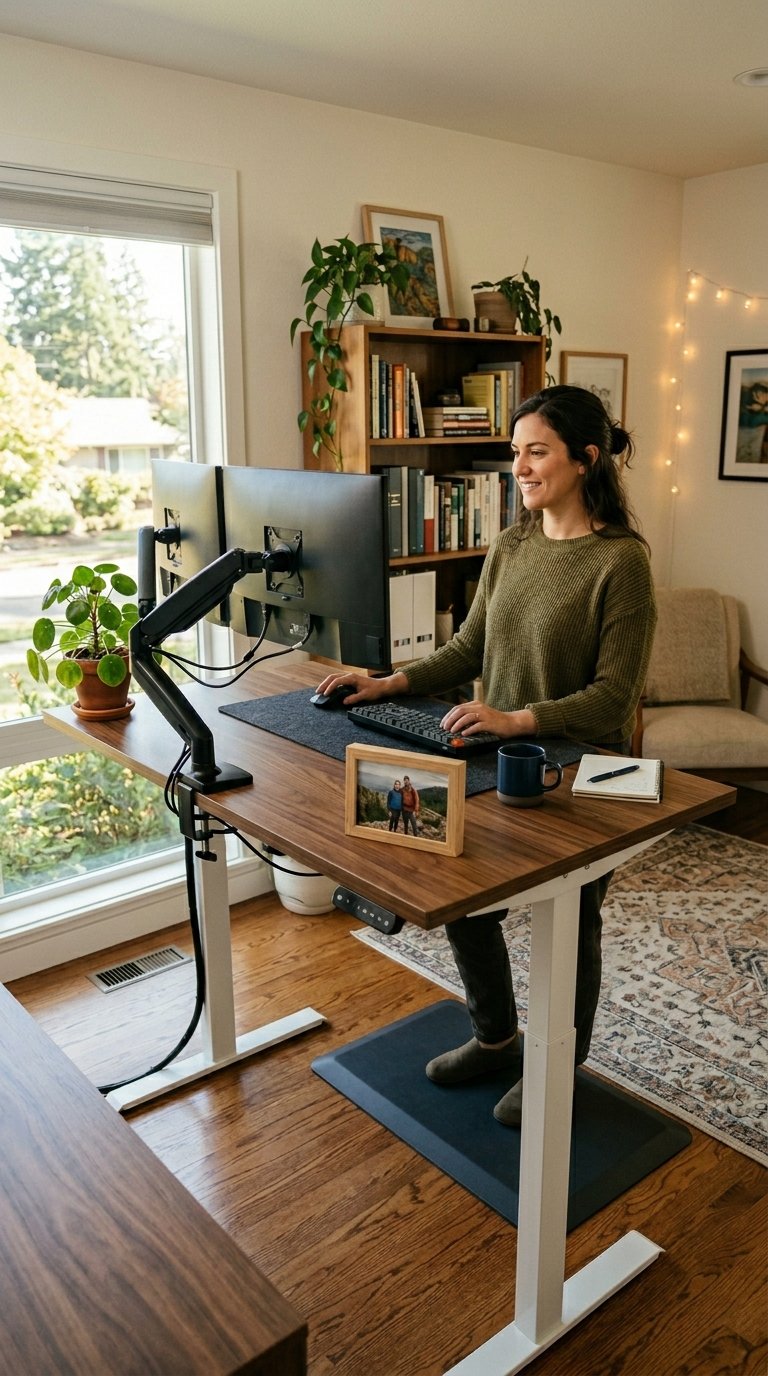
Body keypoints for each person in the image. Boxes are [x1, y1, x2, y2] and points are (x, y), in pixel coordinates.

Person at [316, 385, 657, 1128]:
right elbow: (470, 647)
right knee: (467, 900)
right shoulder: (511, 544)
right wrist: (390, 682)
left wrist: (517, 717)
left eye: (536, 452)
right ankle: (497, 1037)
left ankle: (557, 1069)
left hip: (575, 776)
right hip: (492, 758)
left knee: (569, 926)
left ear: (584, 459)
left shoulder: (620, 563)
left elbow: (614, 697)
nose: (520, 468)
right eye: (514, 453)